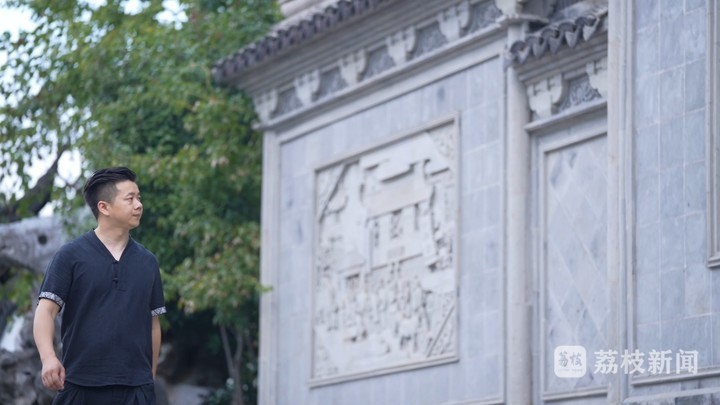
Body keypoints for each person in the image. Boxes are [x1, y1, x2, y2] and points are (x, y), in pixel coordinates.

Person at [33, 167, 166, 405]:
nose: (139, 205)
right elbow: (45, 311)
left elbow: (153, 324)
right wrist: (48, 358)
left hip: (136, 391)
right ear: (104, 207)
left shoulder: (148, 262)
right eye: (130, 199)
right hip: (79, 387)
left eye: (139, 198)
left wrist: (149, 379)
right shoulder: (70, 256)